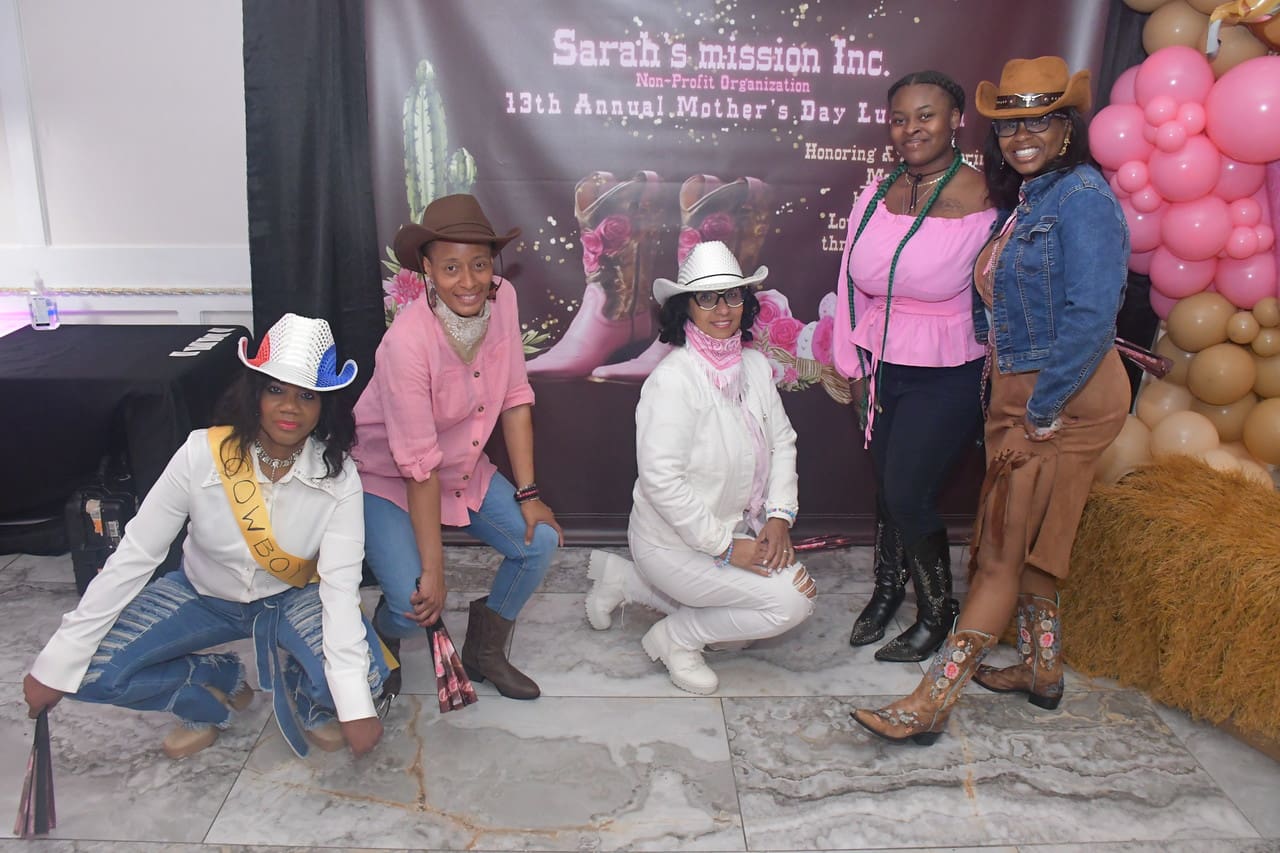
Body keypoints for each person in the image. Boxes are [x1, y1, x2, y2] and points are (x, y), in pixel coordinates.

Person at [854, 56, 1130, 744]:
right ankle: (1041, 665)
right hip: (1027, 389)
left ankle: (929, 701)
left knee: (1001, 549)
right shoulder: (1035, 198)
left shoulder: (1084, 199)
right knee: (1034, 539)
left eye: (1040, 121)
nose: (1022, 135)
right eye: (1010, 123)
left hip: (1060, 395)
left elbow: (1093, 317)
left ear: (1069, 128)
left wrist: (1040, 411)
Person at [22, 314, 388, 759]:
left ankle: (306, 686)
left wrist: (352, 704)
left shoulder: (340, 477)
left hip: (293, 596)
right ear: (254, 393)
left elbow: (340, 586)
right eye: (276, 389)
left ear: (324, 405)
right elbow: (136, 554)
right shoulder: (201, 454)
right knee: (80, 672)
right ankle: (207, 684)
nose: (290, 407)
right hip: (200, 593)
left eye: (306, 395)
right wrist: (58, 657)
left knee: (364, 684)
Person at [354, 193, 562, 701]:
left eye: (479, 264)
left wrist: (528, 493)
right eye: (450, 267)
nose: (468, 281)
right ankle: (383, 638)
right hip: (390, 477)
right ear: (426, 269)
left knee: (539, 543)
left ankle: (485, 651)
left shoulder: (503, 297)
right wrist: (434, 571)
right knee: (413, 603)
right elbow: (417, 467)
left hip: (462, 468)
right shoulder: (407, 343)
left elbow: (515, 397)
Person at [584, 240, 817, 695]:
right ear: (686, 307)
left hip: (735, 529)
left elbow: (783, 442)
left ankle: (625, 581)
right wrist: (727, 548)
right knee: (793, 602)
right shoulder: (672, 380)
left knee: (739, 636)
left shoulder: (753, 366)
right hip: (670, 543)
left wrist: (778, 516)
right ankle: (674, 639)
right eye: (706, 297)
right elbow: (661, 482)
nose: (722, 309)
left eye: (732, 295)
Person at [835, 71, 996, 662]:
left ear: (957, 119)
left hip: (947, 368)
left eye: (925, 116)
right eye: (900, 119)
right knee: (888, 487)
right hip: (879, 363)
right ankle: (885, 592)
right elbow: (849, 283)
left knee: (908, 490)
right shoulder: (877, 194)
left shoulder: (986, 200)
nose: (911, 130)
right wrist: (852, 364)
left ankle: (936, 609)